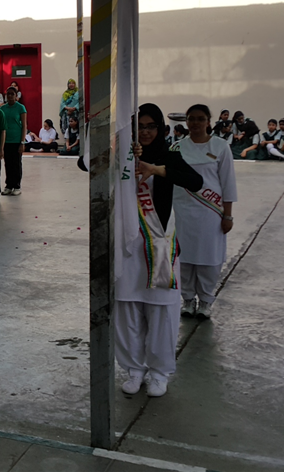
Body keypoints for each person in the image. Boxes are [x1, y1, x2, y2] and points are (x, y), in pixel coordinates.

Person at [118, 103, 204, 397]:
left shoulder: (170, 156)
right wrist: (119, 149)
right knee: (128, 308)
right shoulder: (123, 155)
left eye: (151, 126)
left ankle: (159, 372)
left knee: (161, 311)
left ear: (161, 129)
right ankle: (134, 368)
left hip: (159, 245)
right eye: (139, 127)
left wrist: (155, 169)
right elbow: (84, 163)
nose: (145, 132)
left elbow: (195, 181)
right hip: (127, 247)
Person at [171, 104, 236, 320]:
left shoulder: (220, 146)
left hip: (211, 212)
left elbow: (228, 182)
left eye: (200, 119)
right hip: (182, 211)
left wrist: (227, 215)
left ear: (209, 121)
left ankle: (206, 301)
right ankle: (188, 300)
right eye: (191, 119)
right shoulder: (176, 148)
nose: (195, 123)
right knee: (185, 258)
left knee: (209, 258)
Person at [1, 87, 27, 195]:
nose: (10, 96)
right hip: (6, 141)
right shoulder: (3, 108)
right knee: (7, 164)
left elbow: (24, 126)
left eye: (12, 94)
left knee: (16, 164)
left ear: (16, 95)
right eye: (8, 94)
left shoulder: (21, 108)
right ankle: (9, 185)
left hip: (16, 140)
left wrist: (22, 142)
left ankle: (17, 186)